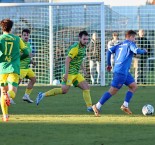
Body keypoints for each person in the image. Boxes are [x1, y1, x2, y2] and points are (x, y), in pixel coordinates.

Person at [92, 30, 147, 117]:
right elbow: (136, 50)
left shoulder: (120, 44)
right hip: (121, 72)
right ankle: (97, 106)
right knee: (112, 91)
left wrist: (109, 65)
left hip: (124, 72)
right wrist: (144, 50)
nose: (135, 40)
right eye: (134, 38)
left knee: (134, 86)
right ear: (130, 37)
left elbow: (109, 51)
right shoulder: (130, 43)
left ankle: (125, 105)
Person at [36, 31, 93, 112]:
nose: (86, 41)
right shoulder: (75, 48)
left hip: (76, 73)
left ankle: (89, 107)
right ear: (79, 38)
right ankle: (42, 94)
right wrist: (66, 74)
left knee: (86, 87)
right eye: (84, 39)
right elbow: (67, 60)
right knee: (64, 90)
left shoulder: (83, 48)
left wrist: (83, 70)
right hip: (69, 72)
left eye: (87, 39)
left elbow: (78, 59)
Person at [0, 18, 29, 121]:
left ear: (2, 27)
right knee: (12, 92)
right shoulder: (17, 39)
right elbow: (26, 53)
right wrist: (17, 59)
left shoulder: (0, 38)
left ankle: (5, 116)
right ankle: (8, 95)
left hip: (2, 69)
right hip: (14, 68)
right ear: (11, 28)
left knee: (2, 93)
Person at [19, 28, 36, 103]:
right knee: (16, 83)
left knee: (33, 79)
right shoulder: (19, 44)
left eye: (27, 35)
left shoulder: (29, 44)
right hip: (20, 67)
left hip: (27, 67)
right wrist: (27, 55)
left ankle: (26, 96)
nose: (26, 37)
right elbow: (17, 55)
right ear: (21, 36)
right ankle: (9, 97)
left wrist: (32, 61)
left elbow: (28, 56)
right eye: (24, 35)